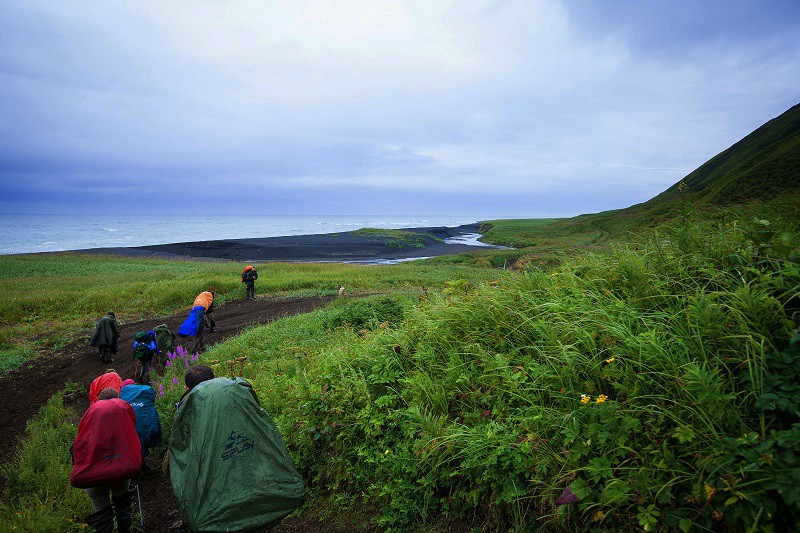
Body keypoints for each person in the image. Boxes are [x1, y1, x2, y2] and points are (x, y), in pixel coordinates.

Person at [169, 365, 305, 532]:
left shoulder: (188, 406)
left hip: (218, 493)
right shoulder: (235, 389)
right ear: (214, 377)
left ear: (187, 388)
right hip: (252, 466)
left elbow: (179, 451)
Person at [71, 387, 142, 533]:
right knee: (123, 504)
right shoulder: (123, 416)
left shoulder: (90, 416)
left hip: (93, 475)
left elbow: (78, 447)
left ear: (99, 401)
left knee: (101, 512)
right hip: (120, 470)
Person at [120, 379, 162, 474]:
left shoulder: (121, 396)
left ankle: (138, 467)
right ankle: (143, 467)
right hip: (149, 426)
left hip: (132, 429)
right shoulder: (145, 392)